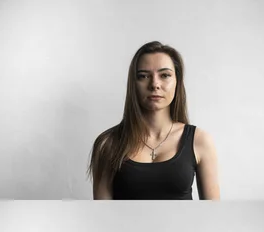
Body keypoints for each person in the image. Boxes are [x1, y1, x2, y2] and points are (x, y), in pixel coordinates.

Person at [88, 41, 220, 200]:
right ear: (133, 84)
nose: (155, 84)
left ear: (177, 81)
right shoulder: (108, 144)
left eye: (165, 75)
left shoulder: (199, 140)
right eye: (143, 76)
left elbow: (212, 215)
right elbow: (102, 217)